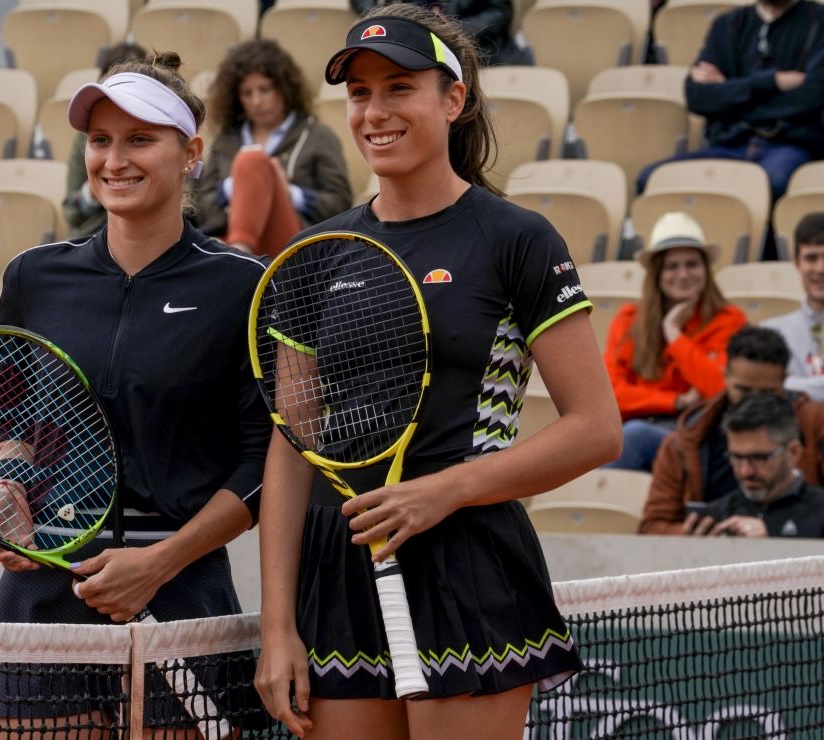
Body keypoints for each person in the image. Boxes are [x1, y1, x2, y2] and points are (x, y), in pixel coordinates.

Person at [254, 6, 622, 739]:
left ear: (453, 100)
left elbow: (596, 430)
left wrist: (442, 493)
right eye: (360, 93)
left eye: (399, 87)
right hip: (338, 571)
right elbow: (294, 447)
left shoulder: (517, 238)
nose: (375, 111)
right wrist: (276, 626)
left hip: (467, 562)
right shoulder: (314, 252)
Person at [0, 52, 271, 737]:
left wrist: (157, 563)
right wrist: (9, 488)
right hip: (41, 599)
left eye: (140, 139)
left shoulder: (245, 286)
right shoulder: (33, 277)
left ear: (191, 152)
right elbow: (11, 418)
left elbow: (263, 466)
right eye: (100, 140)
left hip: (181, 596)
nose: (115, 159)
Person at [639, 325, 824, 534]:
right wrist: (697, 537)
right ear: (725, 377)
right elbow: (652, 528)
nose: (754, 400)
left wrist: (777, 535)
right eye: (744, 390)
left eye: (767, 392)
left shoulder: (816, 424)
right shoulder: (686, 440)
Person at [635, 0, 824, 200]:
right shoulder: (728, 24)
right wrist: (771, 82)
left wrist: (729, 89)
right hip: (728, 145)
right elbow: (697, 96)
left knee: (769, 184)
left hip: (789, 145)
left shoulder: (818, 22)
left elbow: (811, 97)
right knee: (652, 179)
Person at [603, 211, 746, 472]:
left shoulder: (729, 320)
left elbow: (719, 390)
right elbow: (611, 394)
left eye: (692, 264)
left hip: (703, 434)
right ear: (657, 274)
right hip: (640, 427)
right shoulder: (628, 321)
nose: (683, 274)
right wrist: (675, 401)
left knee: (633, 437)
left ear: (705, 270)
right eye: (672, 266)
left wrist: (674, 334)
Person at [195, 39, 353, 258]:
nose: (257, 101)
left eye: (264, 89)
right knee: (250, 164)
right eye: (247, 93)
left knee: (252, 160)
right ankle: (238, 252)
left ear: (284, 88)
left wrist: (289, 192)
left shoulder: (317, 136)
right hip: (223, 239)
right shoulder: (225, 140)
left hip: (293, 250)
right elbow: (200, 208)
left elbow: (341, 206)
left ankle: (240, 256)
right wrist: (236, 187)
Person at [682, 392, 824, 538]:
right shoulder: (716, 517)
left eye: (760, 457)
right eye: (736, 457)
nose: (746, 471)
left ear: (793, 452)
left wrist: (771, 542)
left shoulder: (819, 513)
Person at [62, 42, 148, 238]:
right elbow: (71, 212)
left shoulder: (172, 132)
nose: (115, 163)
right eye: (100, 140)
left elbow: (195, 209)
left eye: (140, 140)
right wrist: (94, 190)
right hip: (92, 236)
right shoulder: (82, 139)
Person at [763, 212, 824, 401]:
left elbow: (778, 387)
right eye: (811, 258)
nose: (821, 269)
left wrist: (789, 383)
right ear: (797, 262)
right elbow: (763, 386)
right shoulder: (773, 332)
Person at [350, 1, 526, 66]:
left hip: (487, 57)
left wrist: (449, 30)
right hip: (416, 53)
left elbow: (500, 12)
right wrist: (386, 17)